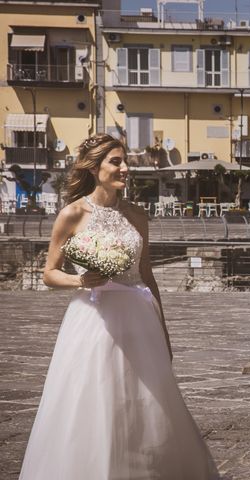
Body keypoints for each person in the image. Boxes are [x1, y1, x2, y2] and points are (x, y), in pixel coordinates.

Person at [19, 134, 219, 479]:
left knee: (149, 403)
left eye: (125, 161)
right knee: (96, 398)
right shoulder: (73, 213)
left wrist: (163, 328)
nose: (125, 168)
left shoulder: (137, 215)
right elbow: (50, 274)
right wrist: (80, 280)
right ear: (94, 168)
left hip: (139, 318)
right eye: (116, 161)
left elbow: (146, 274)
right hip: (94, 320)